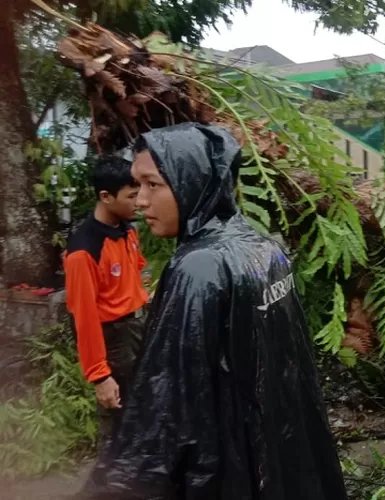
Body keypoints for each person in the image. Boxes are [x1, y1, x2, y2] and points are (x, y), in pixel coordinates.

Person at [82, 123, 348, 499]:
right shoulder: (263, 246)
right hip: (275, 453)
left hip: (230, 466)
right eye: (137, 186)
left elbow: (164, 405)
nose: (140, 201)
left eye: (153, 185)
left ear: (192, 181)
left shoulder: (199, 266)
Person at [63, 155, 148, 451]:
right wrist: (100, 375)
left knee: (145, 413)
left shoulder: (127, 230)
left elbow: (136, 275)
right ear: (106, 197)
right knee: (118, 422)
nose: (139, 201)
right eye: (132, 195)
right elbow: (83, 317)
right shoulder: (84, 252)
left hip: (139, 326)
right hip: (115, 338)